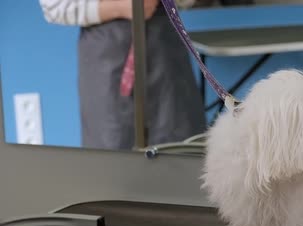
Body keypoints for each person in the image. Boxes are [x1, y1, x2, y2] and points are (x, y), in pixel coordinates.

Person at [39, 0, 208, 150]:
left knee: (180, 150)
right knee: (112, 159)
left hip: (166, 53)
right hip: (107, 58)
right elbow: (54, 7)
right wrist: (121, 7)